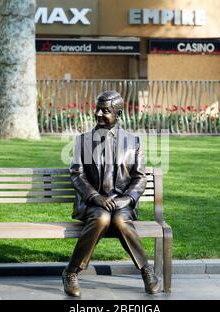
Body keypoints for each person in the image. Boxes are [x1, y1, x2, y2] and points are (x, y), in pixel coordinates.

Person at [62, 91, 160, 297]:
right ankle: (71, 272)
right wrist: (95, 197)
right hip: (93, 204)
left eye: (105, 111)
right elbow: (77, 174)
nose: (98, 113)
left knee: (121, 221)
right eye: (97, 109)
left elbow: (140, 177)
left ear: (118, 113)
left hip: (121, 203)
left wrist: (127, 199)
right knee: (101, 218)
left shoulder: (133, 142)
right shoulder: (83, 141)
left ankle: (146, 270)